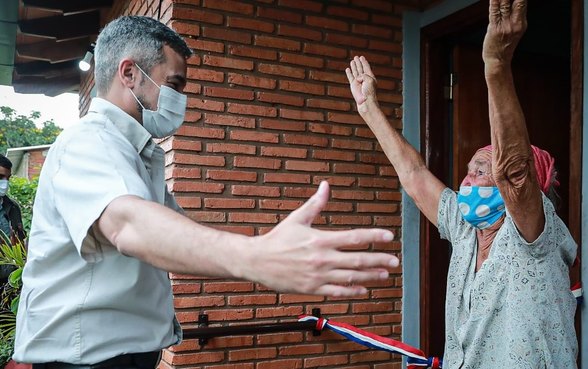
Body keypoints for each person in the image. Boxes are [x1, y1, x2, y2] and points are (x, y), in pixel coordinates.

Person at [13, 16, 399, 367]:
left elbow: (175, 232)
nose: (181, 99)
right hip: (85, 362)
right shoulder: (88, 142)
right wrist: (258, 257)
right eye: (174, 84)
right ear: (129, 73)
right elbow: (130, 226)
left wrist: (270, 247)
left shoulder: (137, 153)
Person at [345, 0, 577, 368]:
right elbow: (414, 175)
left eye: (482, 170)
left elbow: (514, 171)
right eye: (469, 170)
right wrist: (369, 108)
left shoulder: (536, 233)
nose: (468, 180)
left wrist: (496, 66)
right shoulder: (466, 226)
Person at [0, 154, 26, 245]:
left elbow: (21, 240)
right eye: (0, 177)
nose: (5, 182)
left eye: (8, 178)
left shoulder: (13, 207)